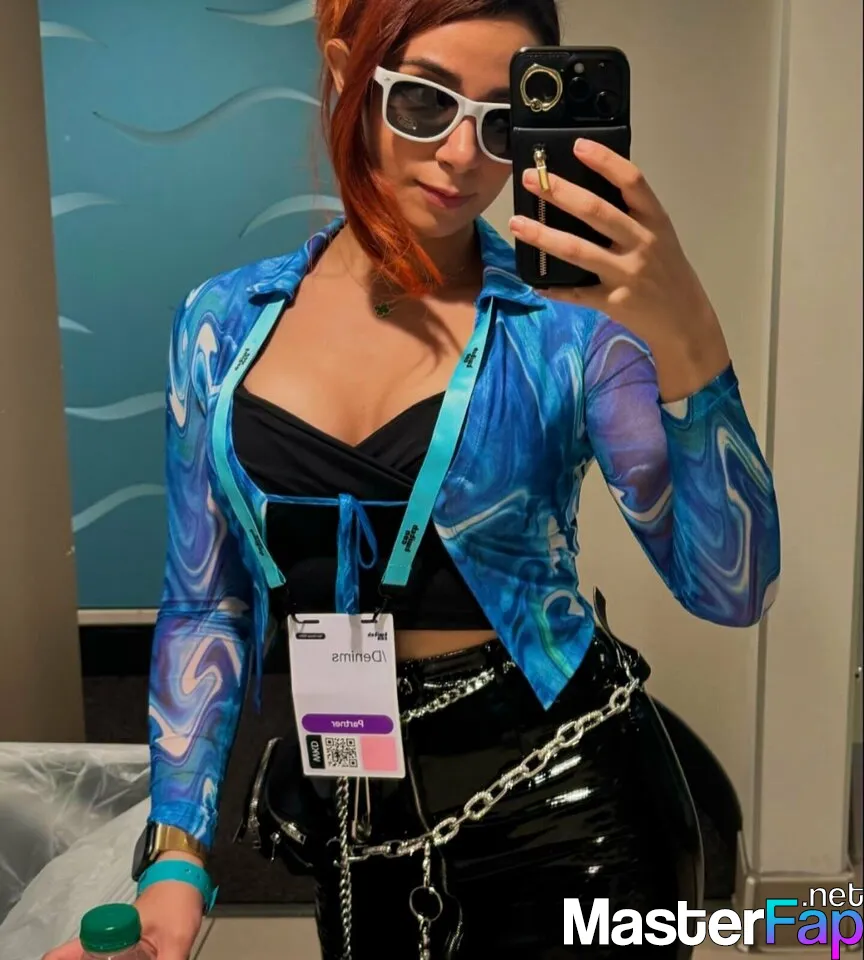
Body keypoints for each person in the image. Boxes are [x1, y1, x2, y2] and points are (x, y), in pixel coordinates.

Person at [45, 0, 781, 957]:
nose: (462, 156)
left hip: (570, 803)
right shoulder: (222, 324)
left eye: (502, 122)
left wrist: (687, 331)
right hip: (359, 811)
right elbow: (205, 603)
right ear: (347, 74)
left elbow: (730, 586)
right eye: (427, 102)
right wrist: (175, 855)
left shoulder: (565, 330)